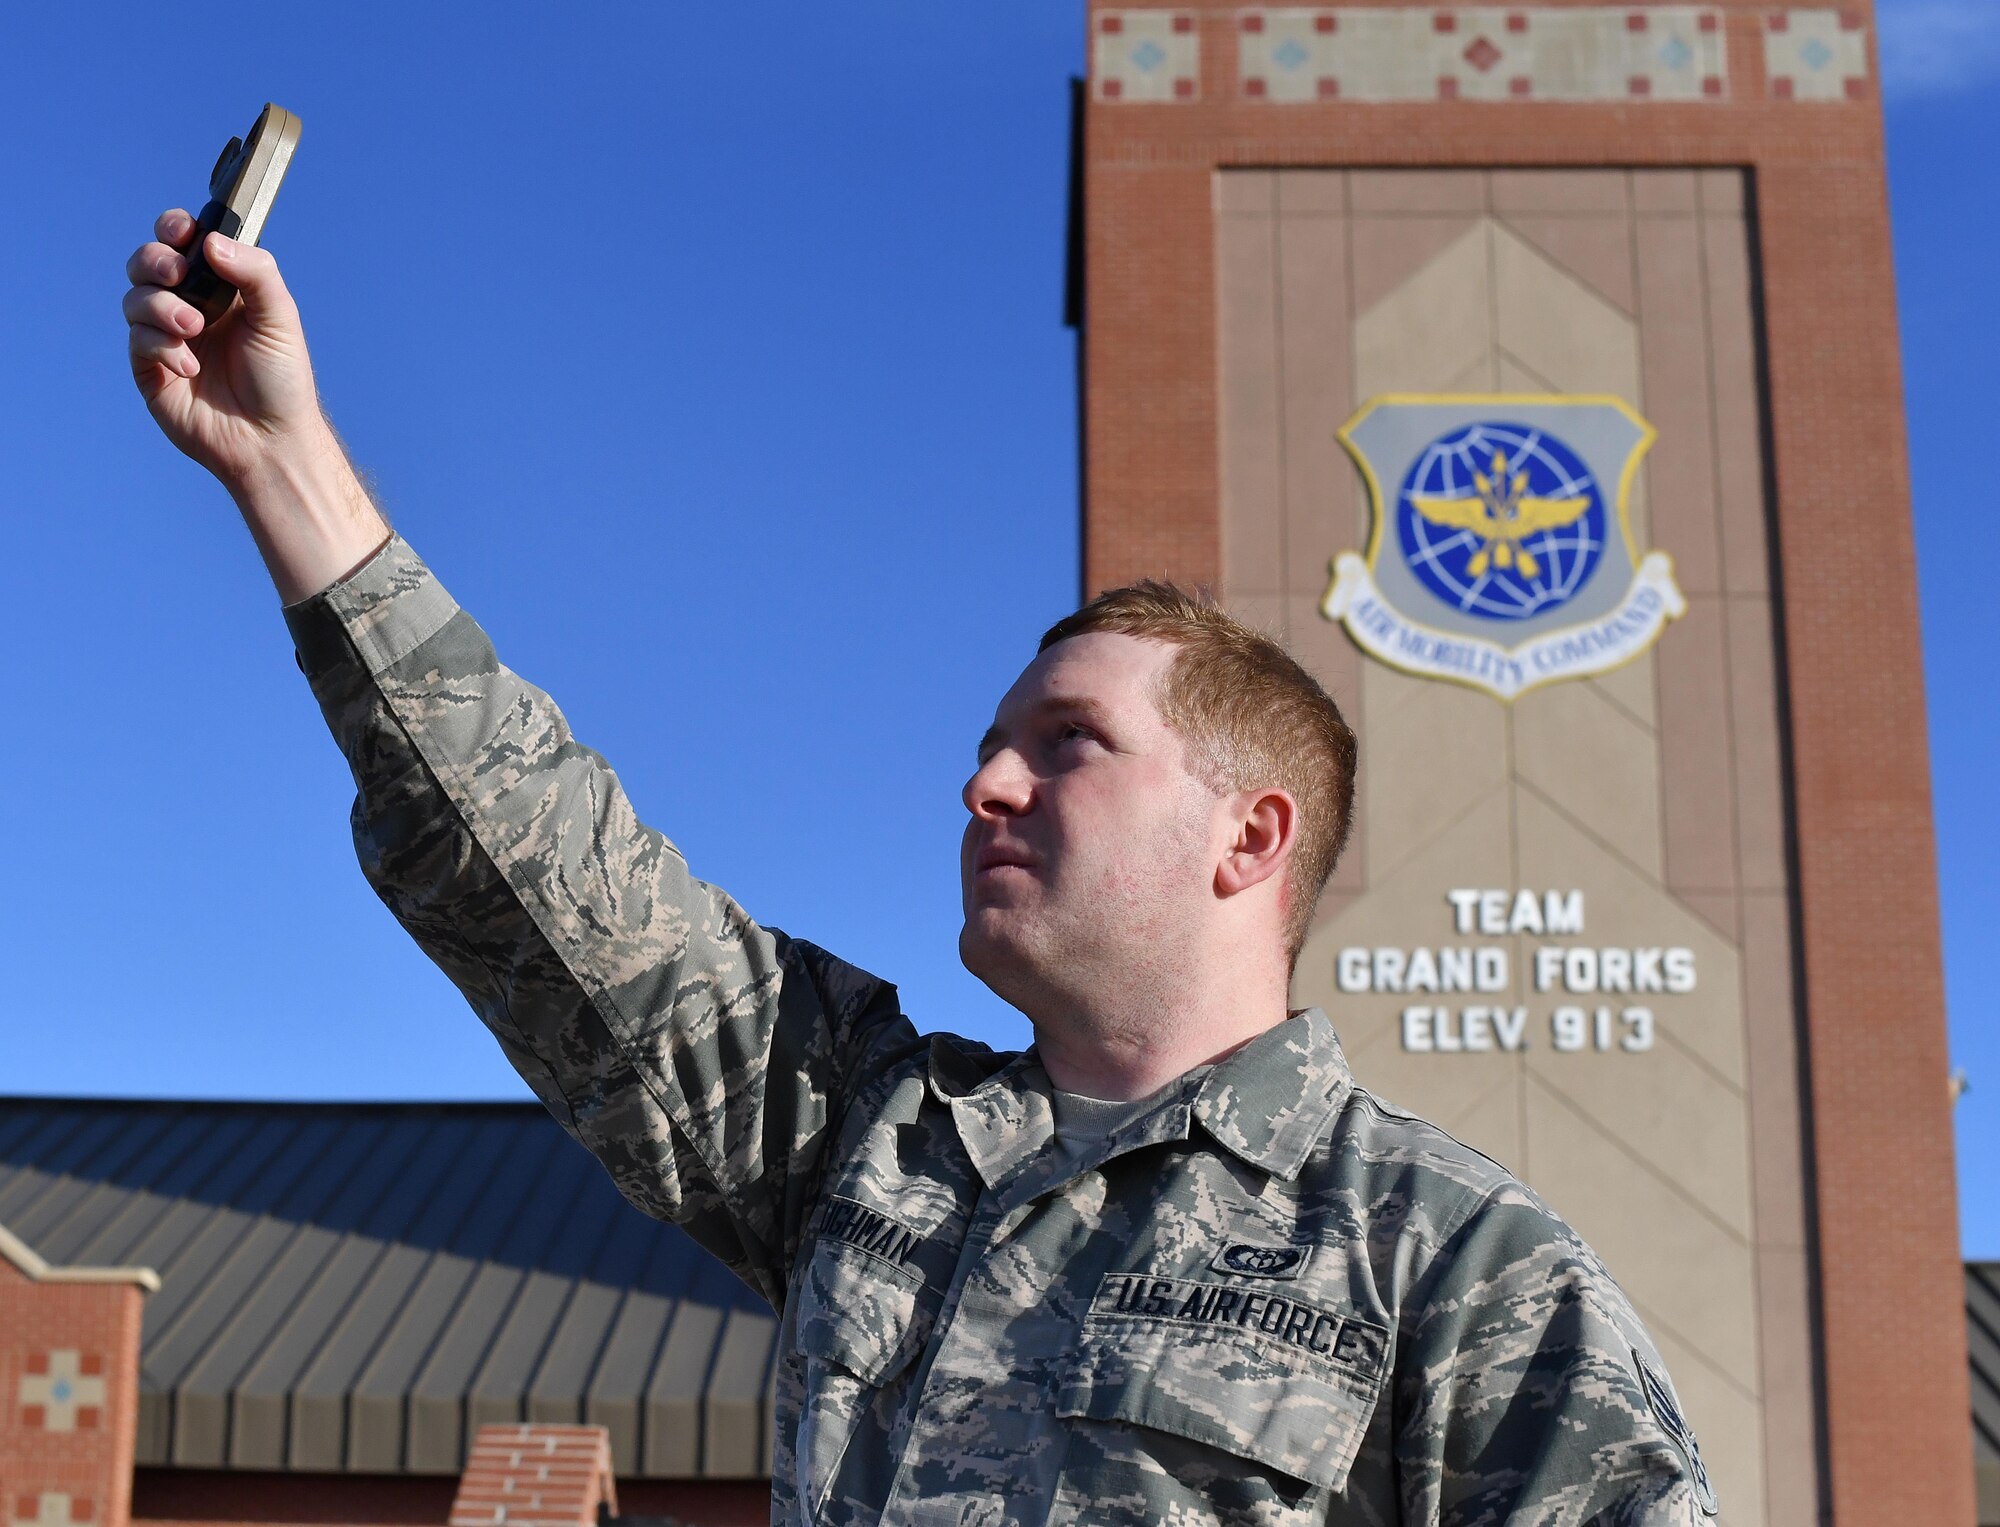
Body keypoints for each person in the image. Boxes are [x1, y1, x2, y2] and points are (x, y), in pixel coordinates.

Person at [125, 208, 1719, 1526]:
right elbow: (541, 868)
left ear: (1252, 834)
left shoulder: (1451, 1264)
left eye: (1071, 743)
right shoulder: (868, 1141)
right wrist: (288, 470)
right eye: (992, 741)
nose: (985, 781)